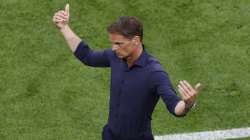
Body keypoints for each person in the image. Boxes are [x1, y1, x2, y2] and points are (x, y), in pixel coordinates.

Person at [53, 4, 201, 140]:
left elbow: (174, 106)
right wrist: (64, 27)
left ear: (136, 41)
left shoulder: (154, 73)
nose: (113, 48)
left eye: (118, 43)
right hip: (110, 136)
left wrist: (187, 104)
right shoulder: (116, 57)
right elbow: (88, 56)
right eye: (112, 43)